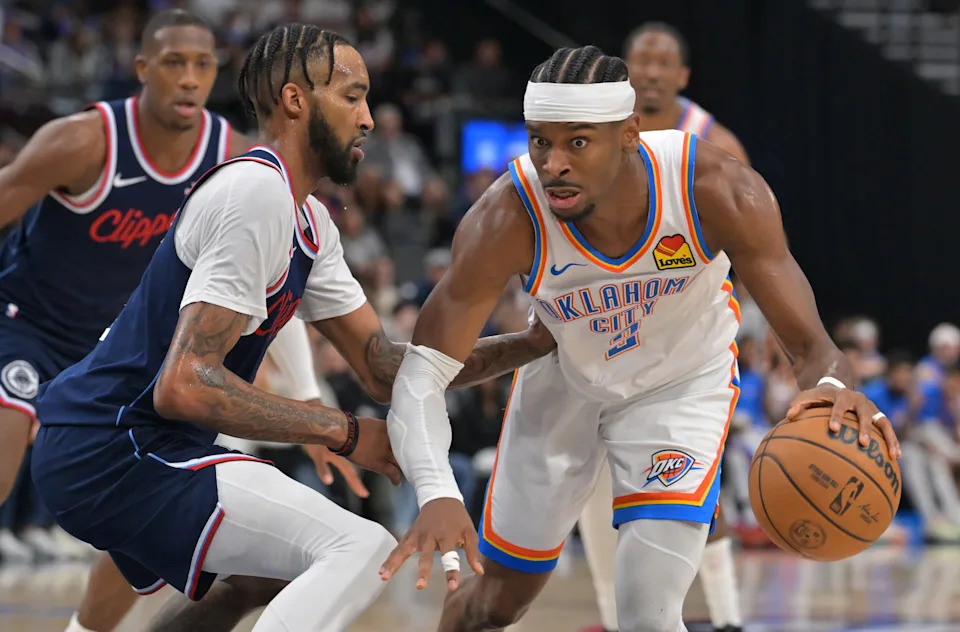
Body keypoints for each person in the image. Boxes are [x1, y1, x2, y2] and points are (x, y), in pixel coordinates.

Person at [30, 24, 555, 632]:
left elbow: (384, 368)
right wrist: (341, 429)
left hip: (132, 443)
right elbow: (186, 385)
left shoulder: (311, 223)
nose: (367, 119)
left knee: (264, 577)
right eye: (352, 96)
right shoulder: (256, 193)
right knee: (359, 549)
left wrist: (532, 343)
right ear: (295, 100)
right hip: (114, 442)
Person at [377, 45, 899, 632]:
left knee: (646, 612)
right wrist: (437, 492)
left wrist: (833, 386)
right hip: (564, 389)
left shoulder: (716, 188)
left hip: (680, 387)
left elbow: (811, 347)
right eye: (540, 141)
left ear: (629, 134)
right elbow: (423, 373)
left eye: (577, 141)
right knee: (494, 605)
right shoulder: (505, 217)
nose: (553, 164)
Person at [0, 9, 258, 631]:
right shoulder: (84, 140)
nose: (189, 78)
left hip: (116, 348)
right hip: (29, 323)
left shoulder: (229, 156)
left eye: (202, 65)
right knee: (5, 437)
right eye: (174, 63)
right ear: (142, 69)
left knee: (145, 506)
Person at [576, 23, 754, 632]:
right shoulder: (594, 136)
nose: (650, 72)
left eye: (662, 63)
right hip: (604, 334)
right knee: (598, 491)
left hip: (687, 340)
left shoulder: (715, 142)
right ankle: (616, 615)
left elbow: (754, 248)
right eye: (640, 61)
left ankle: (729, 618)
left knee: (692, 485)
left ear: (682, 76)